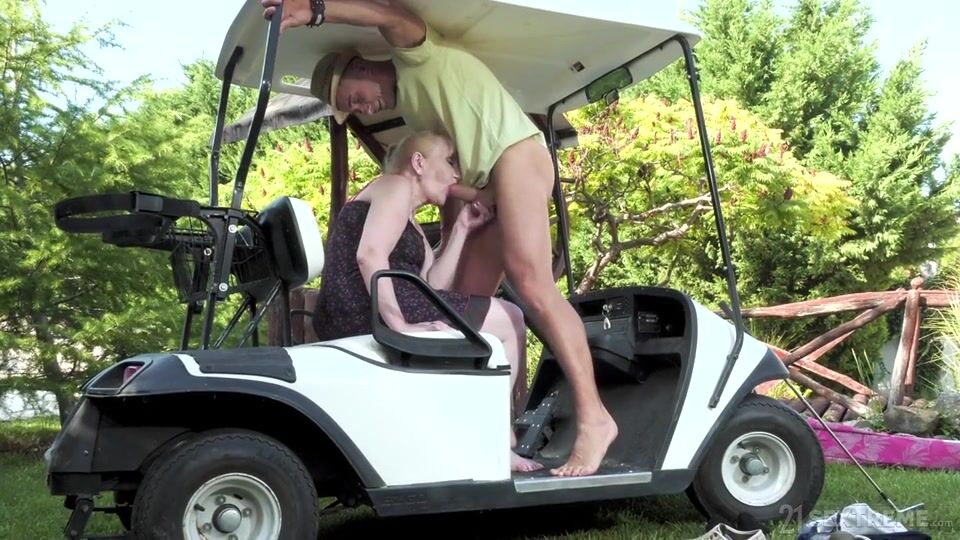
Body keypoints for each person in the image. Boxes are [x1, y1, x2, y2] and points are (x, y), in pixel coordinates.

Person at [261, 0, 618, 477]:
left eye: (353, 97)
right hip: (490, 179)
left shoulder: (417, 60)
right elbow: (442, 188)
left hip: (514, 156)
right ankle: (482, 439)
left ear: (359, 67)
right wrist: (471, 210)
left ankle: (595, 420)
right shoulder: (417, 117)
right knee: (466, 312)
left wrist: (316, 9)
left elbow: (392, 16)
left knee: (532, 286)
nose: (362, 108)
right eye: (353, 109)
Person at [314, 130, 543, 473]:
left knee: (503, 321)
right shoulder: (394, 185)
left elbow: (431, 285)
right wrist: (399, 324)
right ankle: (495, 440)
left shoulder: (414, 227)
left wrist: (461, 229)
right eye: (449, 162)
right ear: (418, 163)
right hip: (359, 306)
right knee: (510, 319)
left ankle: (483, 435)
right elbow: (370, 255)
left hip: (385, 300)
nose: (455, 174)